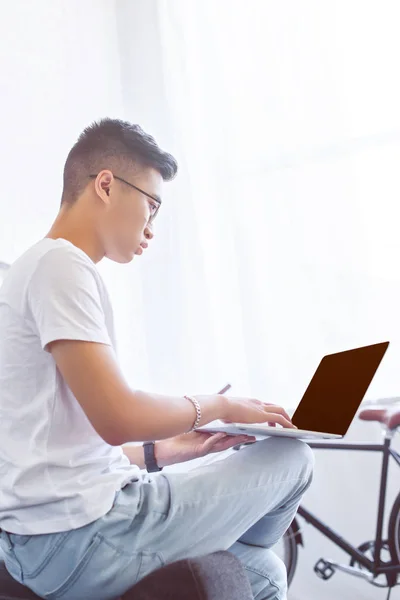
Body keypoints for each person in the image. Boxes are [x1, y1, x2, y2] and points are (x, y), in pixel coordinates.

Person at [0, 118, 314, 600]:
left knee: (266, 574)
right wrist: (223, 406)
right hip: (82, 537)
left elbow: (60, 452)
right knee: (291, 457)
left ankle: (223, 540)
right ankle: (224, 536)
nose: (151, 228)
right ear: (106, 184)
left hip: (57, 536)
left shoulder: (34, 269)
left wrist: (165, 450)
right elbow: (117, 417)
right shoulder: (59, 265)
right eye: (151, 206)